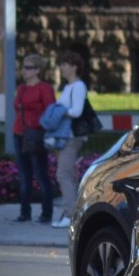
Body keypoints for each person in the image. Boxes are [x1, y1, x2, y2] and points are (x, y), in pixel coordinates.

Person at [12, 53, 55, 223]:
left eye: (28, 67)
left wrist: (41, 128)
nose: (24, 70)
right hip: (19, 133)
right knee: (24, 175)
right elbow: (17, 108)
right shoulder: (22, 88)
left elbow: (51, 112)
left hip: (36, 135)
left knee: (41, 174)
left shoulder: (44, 88)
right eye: (23, 67)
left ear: (38, 70)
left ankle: (46, 213)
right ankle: (24, 212)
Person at [53, 51, 89, 228]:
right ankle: (74, 213)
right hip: (64, 136)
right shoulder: (67, 87)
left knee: (63, 173)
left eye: (65, 64)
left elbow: (77, 111)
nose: (62, 68)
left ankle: (69, 214)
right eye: (61, 64)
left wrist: (57, 113)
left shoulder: (78, 86)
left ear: (74, 67)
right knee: (68, 175)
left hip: (72, 136)